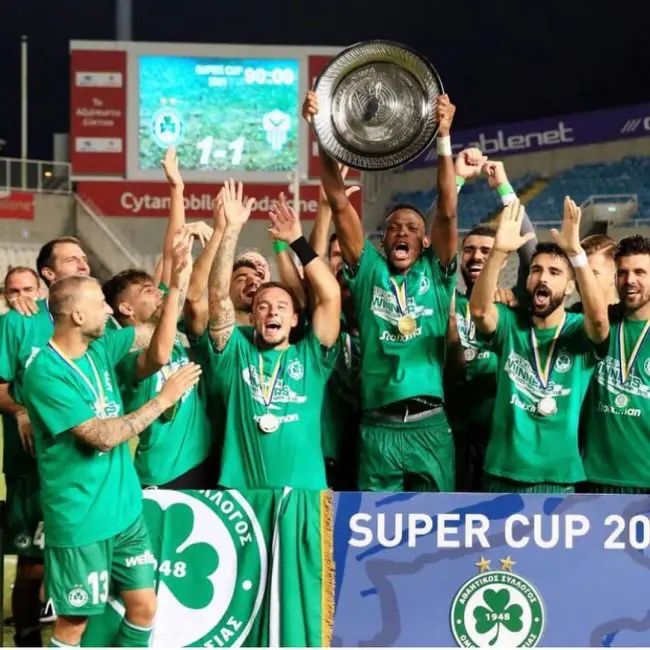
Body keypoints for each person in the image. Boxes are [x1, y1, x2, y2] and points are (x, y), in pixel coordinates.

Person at [21, 274, 201, 647]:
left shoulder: (100, 349)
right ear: (77, 316)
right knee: (73, 624)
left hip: (126, 512)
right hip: (81, 519)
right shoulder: (44, 373)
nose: (108, 310)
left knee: (144, 608)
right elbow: (101, 436)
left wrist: (177, 282)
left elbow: (155, 339)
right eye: (100, 304)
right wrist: (163, 399)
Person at [305, 90, 459, 492]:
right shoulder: (369, 270)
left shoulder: (436, 273)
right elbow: (338, 201)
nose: (402, 232)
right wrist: (320, 131)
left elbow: (447, 207)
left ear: (425, 242)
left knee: (436, 522)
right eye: (393, 228)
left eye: (412, 228)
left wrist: (444, 136)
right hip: (377, 427)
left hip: (429, 425)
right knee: (373, 524)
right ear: (383, 240)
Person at [469, 197, 609, 493]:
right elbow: (480, 312)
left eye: (554, 272)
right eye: (536, 270)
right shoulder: (511, 325)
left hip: (557, 479)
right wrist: (498, 252)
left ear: (570, 287)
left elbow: (599, 321)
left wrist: (576, 254)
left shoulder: (578, 332)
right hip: (502, 474)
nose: (542, 277)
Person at [206, 180, 340, 489]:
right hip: (241, 495)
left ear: (294, 319)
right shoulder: (235, 354)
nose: (272, 313)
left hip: (305, 493)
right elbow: (217, 297)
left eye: (281, 307)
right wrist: (230, 230)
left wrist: (295, 241)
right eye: (263, 307)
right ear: (252, 318)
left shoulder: (312, 358)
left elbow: (331, 295)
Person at [0, 237, 91, 646]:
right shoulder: (19, 321)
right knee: (34, 565)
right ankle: (26, 640)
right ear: (48, 274)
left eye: (84, 257)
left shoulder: (95, 320)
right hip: (32, 465)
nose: (83, 263)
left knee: (83, 558)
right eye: (73, 259)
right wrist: (21, 412)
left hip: (85, 464)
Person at [451, 159, 538, 490]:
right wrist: (457, 180)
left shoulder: (512, 304)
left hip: (499, 434)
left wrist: (503, 187)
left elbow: (532, 252)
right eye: (469, 250)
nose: (476, 257)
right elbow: (435, 237)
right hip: (451, 432)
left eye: (486, 251)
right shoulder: (447, 302)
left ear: (501, 259)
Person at [103, 231, 214, 489]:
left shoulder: (169, 333)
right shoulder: (125, 358)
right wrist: (175, 286)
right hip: (163, 472)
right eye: (148, 291)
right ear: (126, 308)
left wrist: (209, 231)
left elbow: (182, 277)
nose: (159, 293)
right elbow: (158, 356)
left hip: (202, 461)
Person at [581, 235, 650, 493]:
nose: (629, 280)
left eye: (640, 272)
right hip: (593, 478)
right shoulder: (597, 324)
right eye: (623, 273)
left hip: (645, 480)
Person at [567, 233, 618, 312]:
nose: (581, 280)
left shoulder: (629, 316)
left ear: (616, 276)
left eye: (593, 274)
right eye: (578, 273)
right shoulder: (562, 317)